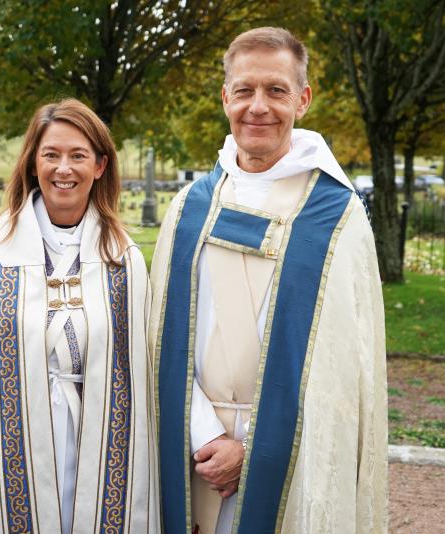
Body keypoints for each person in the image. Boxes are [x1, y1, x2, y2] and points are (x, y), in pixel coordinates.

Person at [150, 27, 387, 533]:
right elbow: (160, 339)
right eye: (245, 90)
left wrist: (254, 445)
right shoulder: (189, 207)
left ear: (302, 99)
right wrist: (205, 436)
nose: (258, 107)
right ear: (225, 98)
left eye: (276, 91)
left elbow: (343, 368)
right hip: (194, 451)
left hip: (292, 455)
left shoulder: (336, 215)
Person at [0, 99, 160, 533]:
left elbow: (141, 374)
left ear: (100, 166)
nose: (64, 169)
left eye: (78, 155)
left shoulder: (125, 262)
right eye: (51, 155)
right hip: (12, 445)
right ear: (32, 164)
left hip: (99, 442)